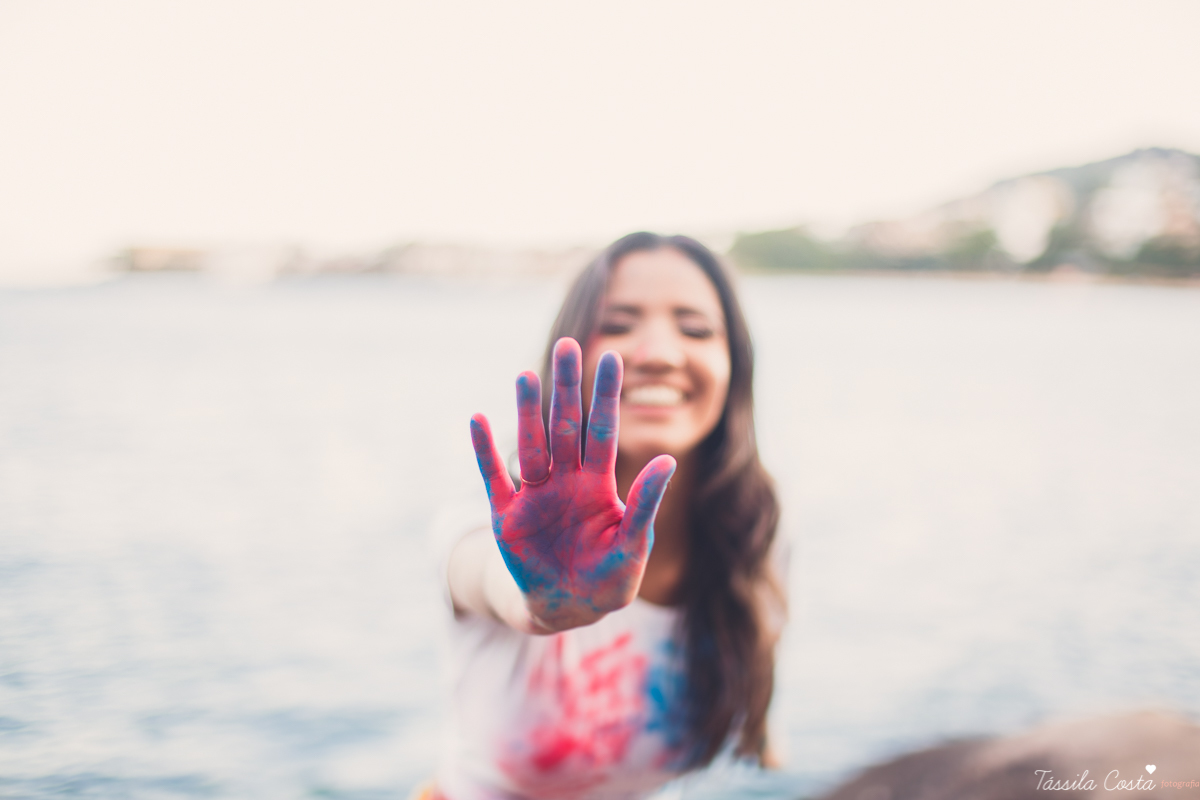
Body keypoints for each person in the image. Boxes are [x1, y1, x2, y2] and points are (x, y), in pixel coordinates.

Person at [435, 232, 786, 800]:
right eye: (619, 324)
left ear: (735, 368)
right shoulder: (495, 517)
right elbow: (487, 575)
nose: (659, 354)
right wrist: (540, 603)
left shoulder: (753, 526)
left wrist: (762, 725)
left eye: (696, 329)